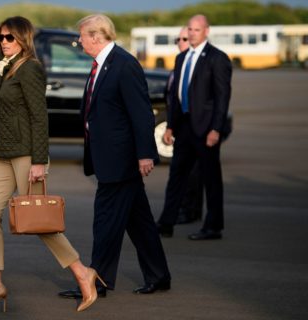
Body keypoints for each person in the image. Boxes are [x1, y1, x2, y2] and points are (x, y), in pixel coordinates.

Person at [0, 16, 102, 314]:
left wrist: (39, 160)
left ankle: (83, 272)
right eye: (0, 37)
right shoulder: (7, 67)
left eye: (9, 38)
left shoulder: (30, 68)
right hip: (4, 152)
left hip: (28, 154)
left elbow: (40, 117)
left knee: (39, 220)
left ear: (23, 39)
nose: (3, 41)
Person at [59, 14, 171, 299]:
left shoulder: (124, 64)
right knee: (140, 222)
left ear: (97, 36)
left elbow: (142, 113)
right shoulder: (101, 64)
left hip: (120, 159)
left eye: (82, 36)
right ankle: (159, 276)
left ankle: (96, 281)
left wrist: (145, 154)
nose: (79, 41)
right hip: (109, 157)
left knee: (105, 220)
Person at [156, 14, 232, 240]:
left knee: (211, 178)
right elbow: (177, 97)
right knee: (176, 175)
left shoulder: (217, 59)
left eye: (196, 30)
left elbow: (222, 97)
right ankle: (166, 222)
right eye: (189, 29)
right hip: (184, 127)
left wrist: (216, 129)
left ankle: (213, 226)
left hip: (206, 128)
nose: (191, 33)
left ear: (206, 31)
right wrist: (170, 126)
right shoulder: (182, 59)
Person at [168, 27, 204, 226]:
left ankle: (191, 211)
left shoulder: (198, 65)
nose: (181, 42)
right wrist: (170, 127)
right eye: (178, 39)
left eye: (184, 38)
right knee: (181, 172)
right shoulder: (179, 64)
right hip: (180, 129)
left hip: (196, 128)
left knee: (194, 173)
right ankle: (182, 209)